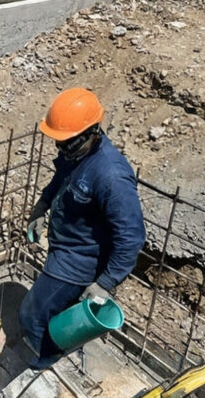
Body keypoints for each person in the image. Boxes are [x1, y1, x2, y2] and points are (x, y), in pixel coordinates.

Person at [20, 87, 145, 370]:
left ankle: (43, 363)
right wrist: (42, 205)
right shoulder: (76, 152)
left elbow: (131, 237)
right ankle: (55, 344)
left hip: (79, 262)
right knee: (55, 308)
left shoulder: (111, 176)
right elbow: (60, 180)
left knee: (32, 315)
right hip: (65, 248)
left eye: (68, 144)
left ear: (93, 132)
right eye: (59, 144)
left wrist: (105, 283)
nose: (63, 150)